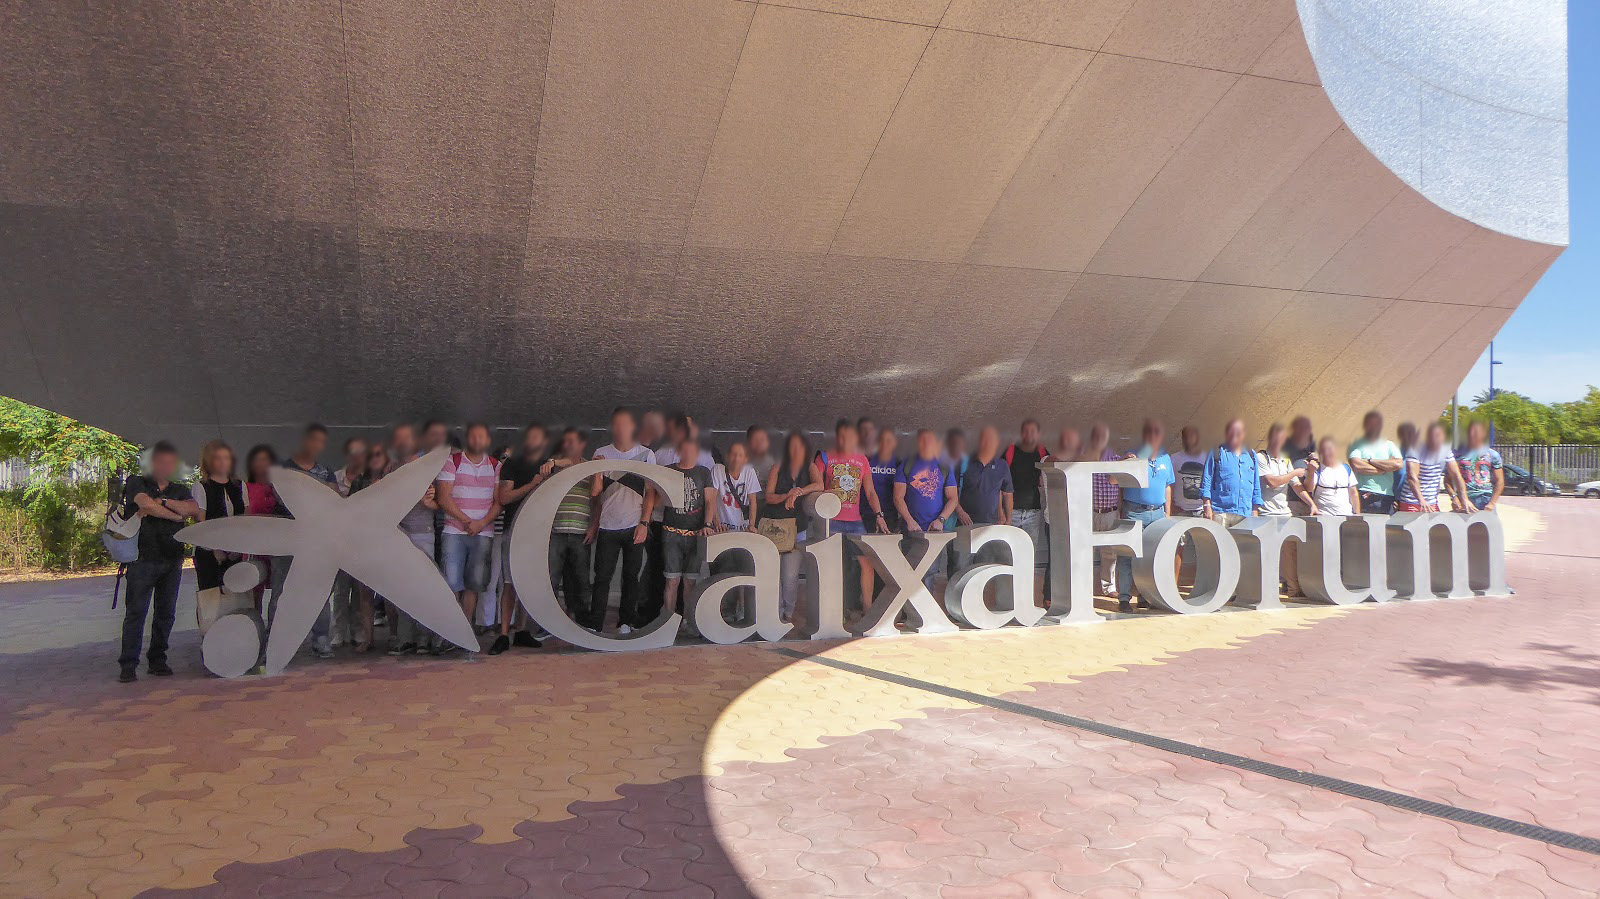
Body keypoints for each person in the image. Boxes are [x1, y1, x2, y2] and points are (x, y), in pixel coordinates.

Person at [117, 442, 200, 682]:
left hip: (172, 559)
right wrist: (175, 515)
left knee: (166, 612)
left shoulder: (180, 489)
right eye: (160, 461)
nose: (165, 466)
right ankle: (128, 663)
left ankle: (157, 659)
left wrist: (161, 504)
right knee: (136, 612)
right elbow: (144, 503)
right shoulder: (137, 482)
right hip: (142, 559)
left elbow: (192, 509)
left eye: (169, 462)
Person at [435, 422, 501, 653]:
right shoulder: (452, 462)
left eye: (481, 435)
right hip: (454, 531)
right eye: (473, 435)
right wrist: (466, 521)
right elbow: (443, 498)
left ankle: (464, 634)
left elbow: (498, 501)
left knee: (473, 585)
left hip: (483, 532)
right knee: (452, 584)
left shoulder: (495, 466)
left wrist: (481, 523)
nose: (477, 439)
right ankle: (450, 632)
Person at [591, 408, 657, 635]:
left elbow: (651, 493)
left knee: (631, 576)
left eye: (625, 424)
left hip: (634, 524)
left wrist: (644, 523)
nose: (621, 429)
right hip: (607, 525)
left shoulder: (646, 454)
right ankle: (596, 624)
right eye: (616, 424)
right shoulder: (601, 453)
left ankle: (625, 622)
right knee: (602, 577)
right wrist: (597, 472)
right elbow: (596, 494)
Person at [489, 424, 553, 654]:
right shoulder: (513, 464)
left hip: (538, 532)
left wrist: (555, 463)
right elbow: (504, 497)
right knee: (509, 583)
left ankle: (522, 630)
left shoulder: (549, 465)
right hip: (513, 530)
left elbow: (577, 462)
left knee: (529, 583)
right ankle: (504, 634)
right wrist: (532, 484)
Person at [817, 419, 890, 615]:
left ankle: (866, 605)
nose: (845, 439)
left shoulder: (862, 459)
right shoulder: (824, 457)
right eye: (841, 435)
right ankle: (833, 610)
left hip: (855, 521)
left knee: (868, 562)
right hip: (830, 521)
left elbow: (871, 492)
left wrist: (879, 515)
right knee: (833, 566)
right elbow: (815, 486)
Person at [278, 423, 338, 658]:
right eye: (312, 439)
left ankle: (321, 639)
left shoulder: (325, 470)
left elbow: (333, 500)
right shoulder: (283, 469)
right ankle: (278, 641)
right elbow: (284, 498)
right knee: (283, 592)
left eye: (320, 442)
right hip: (289, 540)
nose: (316, 446)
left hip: (319, 541)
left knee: (320, 591)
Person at [387, 423, 436, 655]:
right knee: (403, 588)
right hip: (398, 535)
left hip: (423, 532)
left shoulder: (429, 466)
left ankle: (424, 638)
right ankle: (406, 638)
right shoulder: (392, 468)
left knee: (424, 586)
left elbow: (438, 501)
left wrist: (427, 501)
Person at [1117, 419, 1175, 612]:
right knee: (1128, 554)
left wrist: (1167, 513)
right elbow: (1115, 479)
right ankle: (1124, 598)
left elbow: (1168, 486)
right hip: (1134, 511)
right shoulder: (1132, 455)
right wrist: (1123, 462)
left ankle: (1145, 595)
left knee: (1150, 556)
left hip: (1157, 513)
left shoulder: (1166, 458)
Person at [660, 435, 717, 628]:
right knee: (672, 581)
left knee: (690, 581)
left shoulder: (703, 472)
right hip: (671, 533)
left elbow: (710, 500)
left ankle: (688, 620)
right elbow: (655, 496)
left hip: (695, 535)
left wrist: (708, 524)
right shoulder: (668, 471)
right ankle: (668, 621)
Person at [765, 431, 821, 622]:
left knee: (790, 575)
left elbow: (819, 485)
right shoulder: (778, 466)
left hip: (799, 527)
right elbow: (769, 496)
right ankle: (775, 612)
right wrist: (786, 495)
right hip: (777, 526)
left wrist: (798, 493)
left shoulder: (810, 466)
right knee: (773, 572)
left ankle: (788, 611)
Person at [893, 429, 959, 591]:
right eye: (922, 441)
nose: (925, 444)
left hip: (933, 531)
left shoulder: (944, 466)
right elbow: (898, 497)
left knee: (929, 572)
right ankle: (908, 611)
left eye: (929, 441)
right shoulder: (907, 464)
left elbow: (953, 498)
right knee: (909, 570)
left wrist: (941, 519)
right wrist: (909, 520)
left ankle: (924, 612)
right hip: (911, 530)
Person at [190, 439, 248, 606]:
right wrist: (215, 548)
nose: (223, 462)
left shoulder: (239, 485)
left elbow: (245, 515)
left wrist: (238, 546)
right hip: (208, 551)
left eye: (226, 458)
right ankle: (210, 630)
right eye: (218, 458)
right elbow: (200, 521)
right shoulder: (201, 486)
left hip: (235, 549)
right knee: (211, 597)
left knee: (236, 596)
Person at [711, 441, 763, 623]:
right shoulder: (717, 470)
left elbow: (753, 501)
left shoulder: (748, 471)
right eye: (732, 454)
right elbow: (712, 498)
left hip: (742, 530)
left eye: (740, 455)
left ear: (745, 458)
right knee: (721, 571)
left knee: (744, 571)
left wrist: (752, 525)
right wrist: (716, 523)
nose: (735, 458)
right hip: (723, 531)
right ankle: (723, 610)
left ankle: (742, 609)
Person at [546, 427, 594, 625]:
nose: (569, 445)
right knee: (551, 579)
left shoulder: (590, 468)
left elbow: (597, 500)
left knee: (581, 580)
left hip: (581, 532)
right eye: (567, 441)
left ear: (582, 445)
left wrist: (593, 526)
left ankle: (582, 622)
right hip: (556, 531)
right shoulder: (553, 466)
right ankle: (551, 623)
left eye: (573, 441)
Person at [329, 436, 371, 649]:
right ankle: (337, 630)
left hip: (361, 543)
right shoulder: (334, 478)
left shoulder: (369, 480)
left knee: (359, 590)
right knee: (340, 589)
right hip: (339, 542)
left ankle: (358, 630)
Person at [1255, 423, 1306, 598]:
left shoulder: (1285, 460)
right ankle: (1265, 591)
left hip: (1284, 514)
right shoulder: (1261, 458)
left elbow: (1297, 486)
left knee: (1290, 553)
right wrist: (1294, 474)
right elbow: (1272, 482)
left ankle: (1293, 589)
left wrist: (1312, 503)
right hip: (1266, 514)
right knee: (1267, 553)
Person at [1005, 419, 1049, 597]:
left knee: (1028, 555)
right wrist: (1002, 511)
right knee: (1009, 555)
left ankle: (1025, 597)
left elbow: (1053, 467)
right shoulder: (1011, 450)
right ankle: (1009, 596)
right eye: (1027, 431)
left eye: (1033, 431)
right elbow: (1002, 479)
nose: (1030, 435)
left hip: (1033, 510)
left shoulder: (1041, 451)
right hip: (1012, 512)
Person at [1201, 418, 1263, 525]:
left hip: (1245, 513)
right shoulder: (1216, 452)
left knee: (1241, 542)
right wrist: (1207, 506)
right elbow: (1206, 481)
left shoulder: (1251, 455)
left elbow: (1256, 485)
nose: (1234, 435)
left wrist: (1255, 510)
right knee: (1219, 541)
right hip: (1220, 512)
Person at [1084, 422, 1120, 595]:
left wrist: (1125, 460)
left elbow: (1115, 479)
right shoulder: (1084, 455)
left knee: (1109, 552)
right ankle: (1084, 588)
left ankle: (1109, 587)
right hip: (1089, 511)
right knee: (1085, 551)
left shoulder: (1113, 456)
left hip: (1110, 512)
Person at [1398, 422, 1468, 512]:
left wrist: (1464, 499)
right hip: (1412, 502)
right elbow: (1412, 478)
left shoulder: (1446, 451)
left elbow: (1456, 475)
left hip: (1432, 502)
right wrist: (1421, 500)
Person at [1348, 411, 1404, 514]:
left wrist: (1370, 460)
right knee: (1364, 528)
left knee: (1385, 529)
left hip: (1386, 496)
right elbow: (1356, 465)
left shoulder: (1390, 445)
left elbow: (1398, 464)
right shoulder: (1358, 445)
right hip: (1364, 494)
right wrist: (1383, 470)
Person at [1298, 436, 1359, 516]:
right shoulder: (1317, 469)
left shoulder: (1346, 468)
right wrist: (1311, 472)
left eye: (1330, 449)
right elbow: (1309, 488)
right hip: (1323, 516)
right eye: (1324, 449)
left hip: (1346, 515)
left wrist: (1357, 515)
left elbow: (1353, 493)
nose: (1327, 452)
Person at [1458, 421, 1504, 512]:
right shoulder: (1458, 455)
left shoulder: (1492, 454)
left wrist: (1491, 503)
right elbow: (1448, 479)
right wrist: (1455, 498)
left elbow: (1500, 481)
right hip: (1465, 498)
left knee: (1488, 525)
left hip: (1485, 497)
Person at [867, 428, 902, 535]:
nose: (885, 444)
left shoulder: (898, 462)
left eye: (889, 440)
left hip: (890, 516)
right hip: (866, 513)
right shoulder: (867, 458)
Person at [1283, 416, 1316, 516]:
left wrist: (1317, 456)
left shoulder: (1312, 443)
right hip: (1293, 497)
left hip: (1310, 497)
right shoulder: (1286, 444)